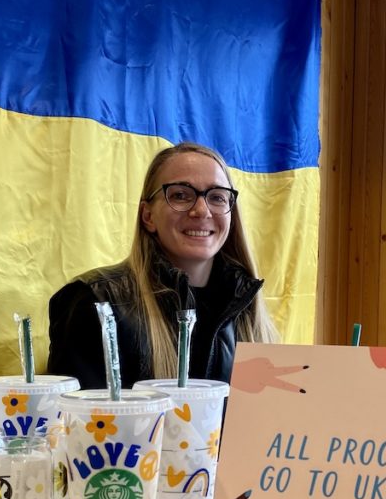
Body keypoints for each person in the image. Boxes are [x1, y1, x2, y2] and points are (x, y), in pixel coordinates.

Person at [47, 142, 277, 388]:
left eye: (217, 197)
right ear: (148, 216)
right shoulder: (94, 301)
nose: (201, 210)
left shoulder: (248, 310)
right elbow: (79, 422)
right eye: (180, 195)